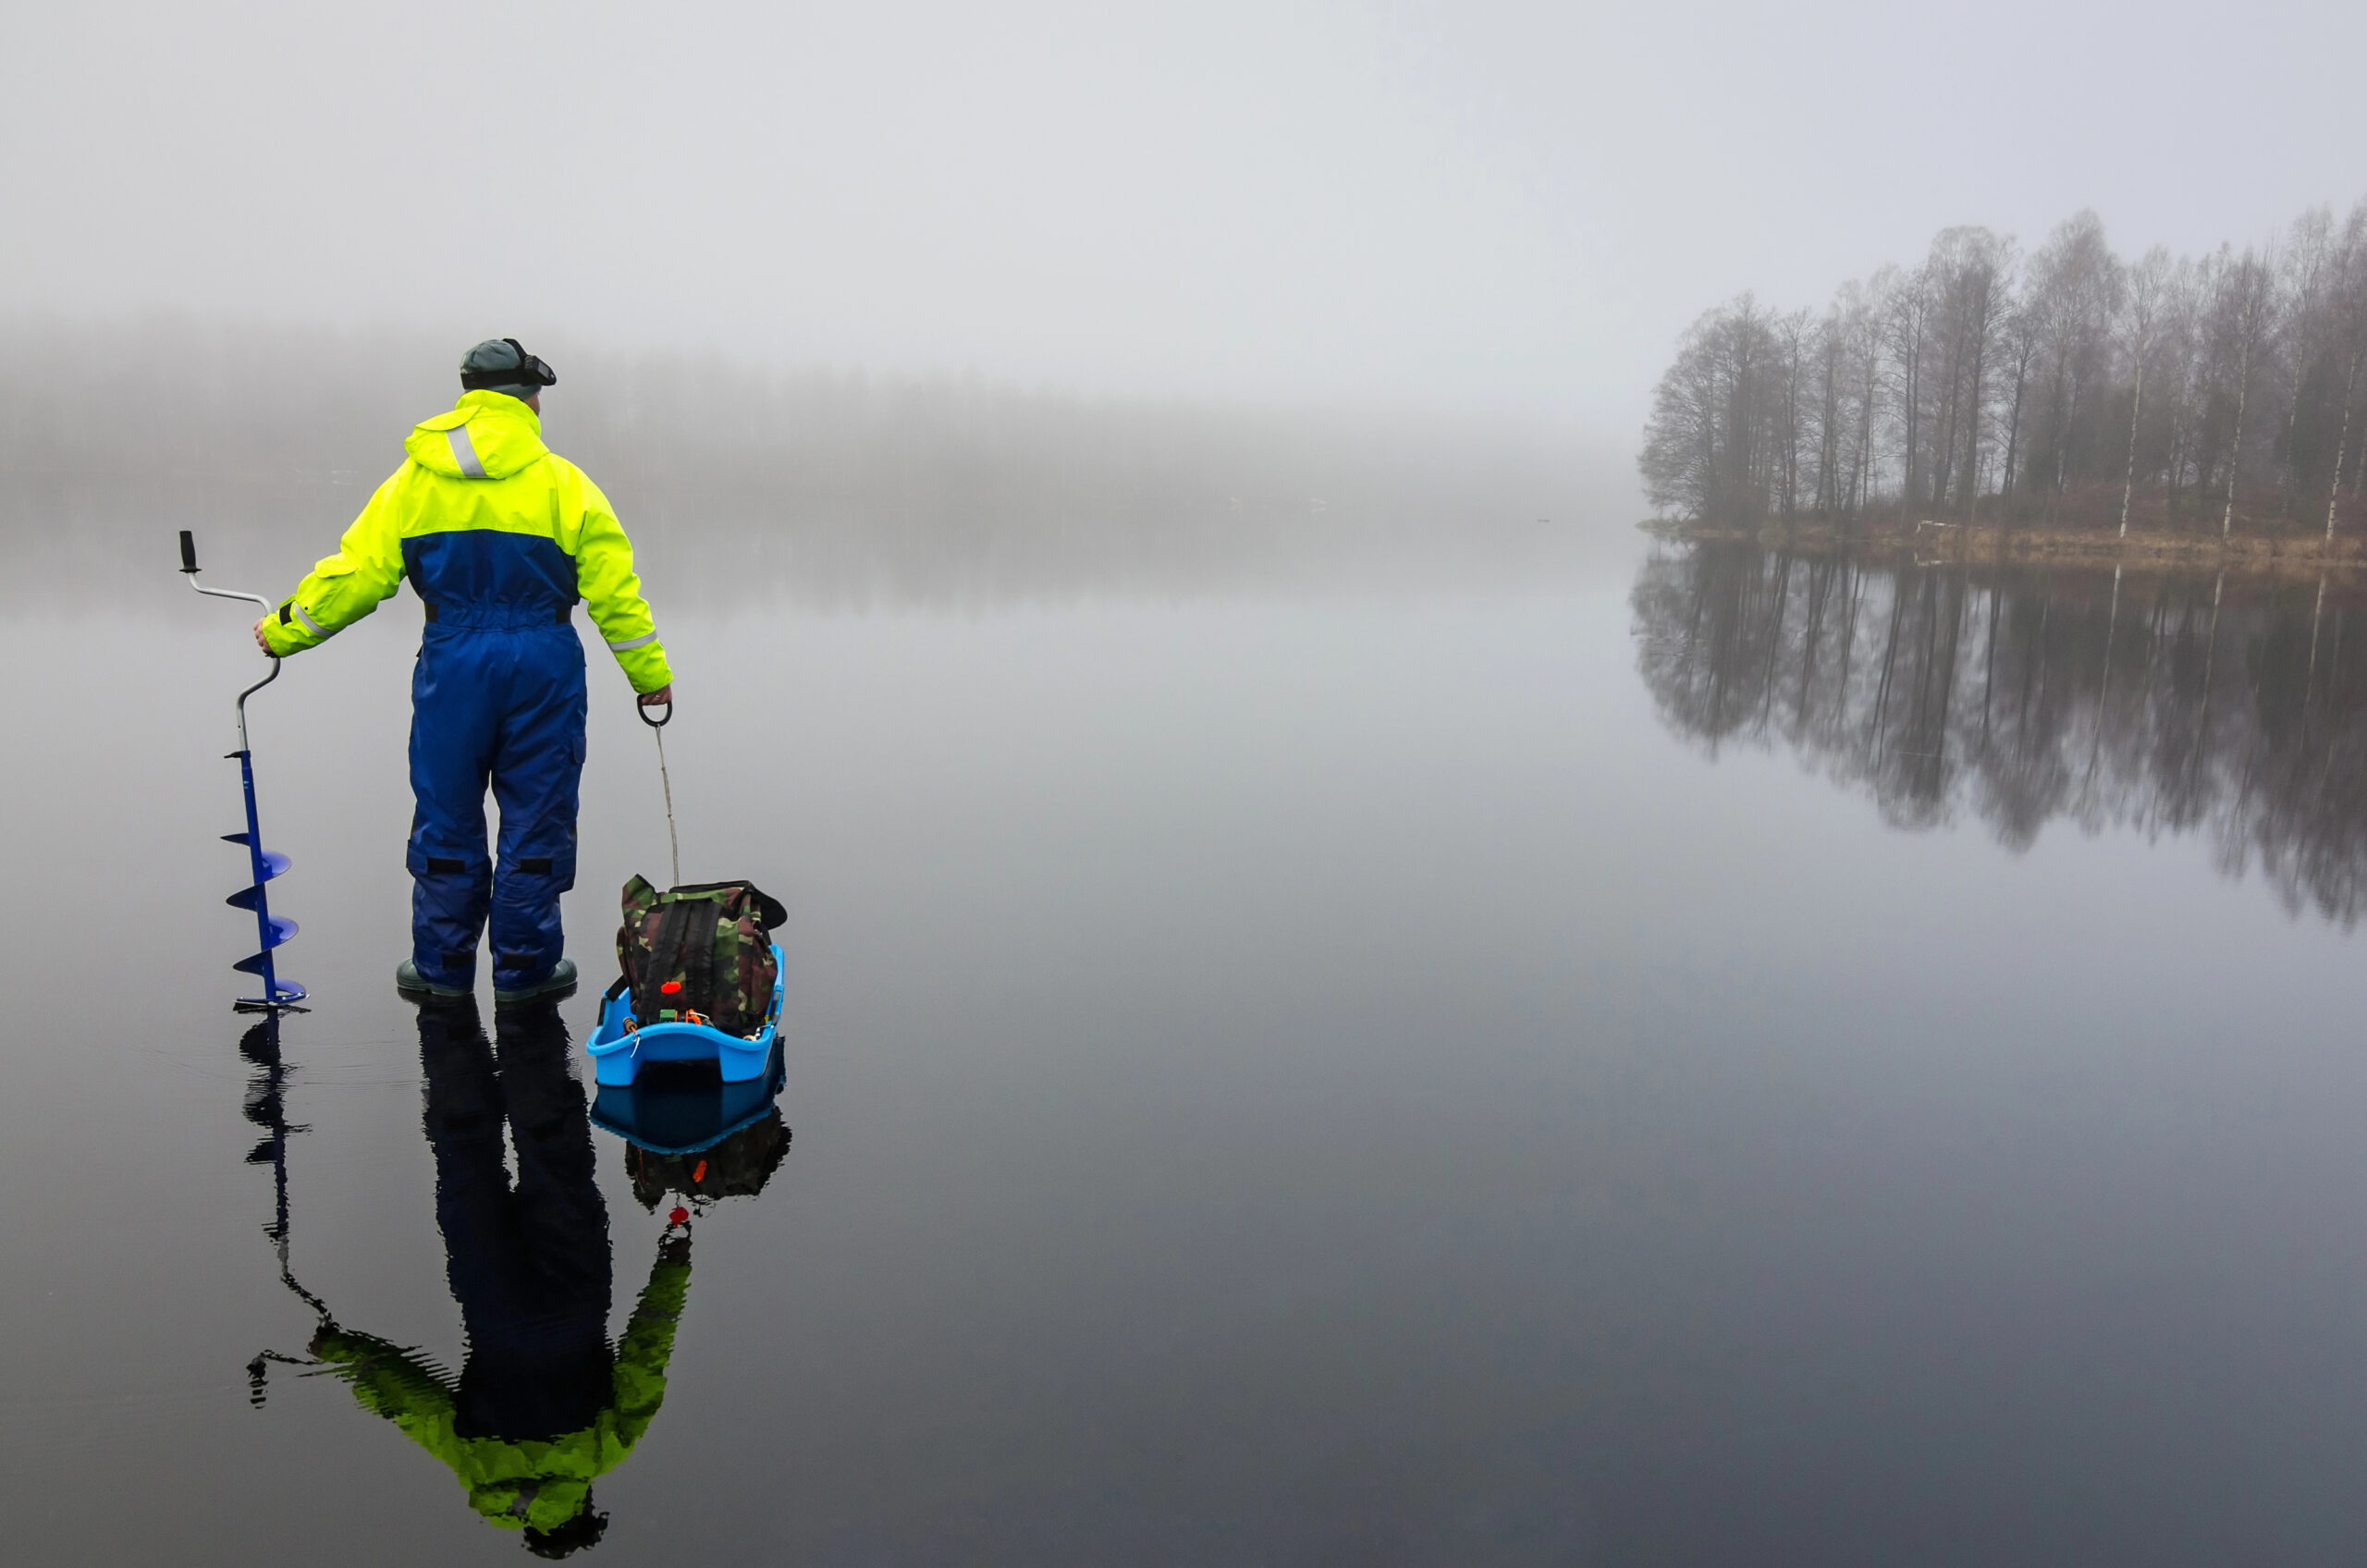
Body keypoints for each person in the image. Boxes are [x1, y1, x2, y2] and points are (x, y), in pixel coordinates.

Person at [254, 339, 672, 1002]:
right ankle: (526, 972)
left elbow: (358, 574)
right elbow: (617, 597)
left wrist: (284, 629)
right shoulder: (567, 485)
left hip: (452, 662)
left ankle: (443, 971)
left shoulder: (413, 482)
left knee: (447, 811)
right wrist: (649, 677)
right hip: (544, 663)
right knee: (536, 816)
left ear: (468, 395)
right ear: (530, 400)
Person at [306, 998, 693, 1556]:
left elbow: (647, 1351)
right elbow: (408, 1403)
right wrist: (341, 1350)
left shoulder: (599, 1454)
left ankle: (527, 1005)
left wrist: (673, 1266)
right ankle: (444, 1008)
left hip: (573, 1299)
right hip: (490, 1307)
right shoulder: (476, 1463)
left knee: (551, 1146)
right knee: (464, 1156)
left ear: (581, 1507)